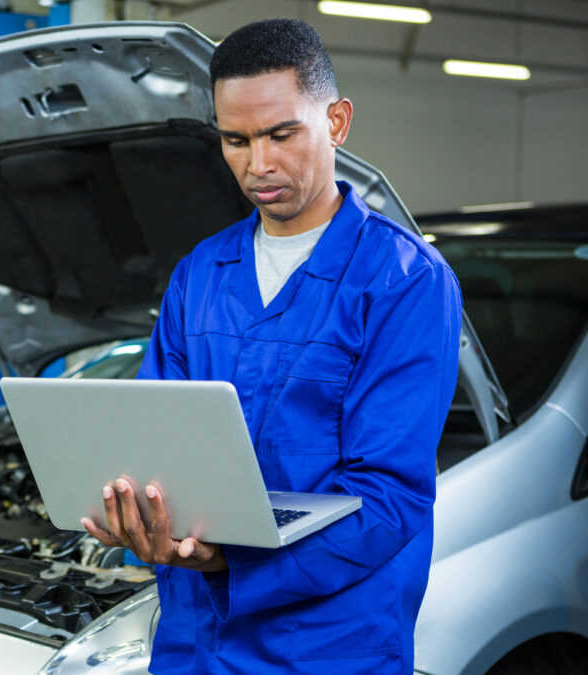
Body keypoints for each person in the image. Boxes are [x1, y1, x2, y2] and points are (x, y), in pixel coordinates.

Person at [81, 18, 462, 674]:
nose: (259, 165)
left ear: (337, 122)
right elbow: (154, 445)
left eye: (282, 134)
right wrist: (137, 515)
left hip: (329, 647)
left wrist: (233, 557)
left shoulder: (403, 282)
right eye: (236, 140)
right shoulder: (199, 274)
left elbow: (390, 496)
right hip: (192, 642)